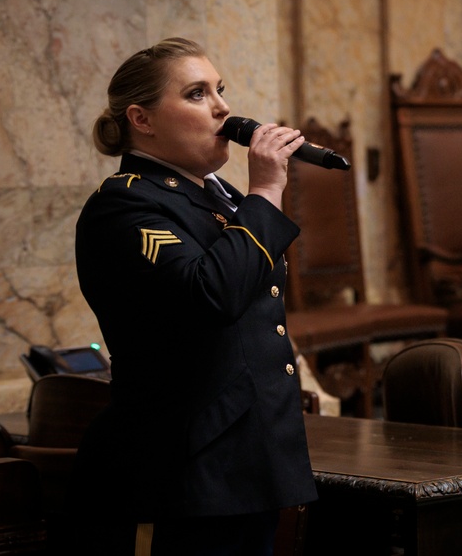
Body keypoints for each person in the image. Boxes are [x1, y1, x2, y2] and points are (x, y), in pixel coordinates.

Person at [69, 37, 317, 555]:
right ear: (143, 119)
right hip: (184, 472)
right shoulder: (125, 206)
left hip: (251, 462)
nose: (223, 107)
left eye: (219, 89)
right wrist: (266, 192)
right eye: (197, 93)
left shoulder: (219, 197)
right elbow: (212, 295)